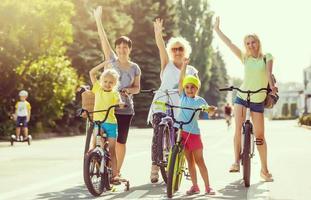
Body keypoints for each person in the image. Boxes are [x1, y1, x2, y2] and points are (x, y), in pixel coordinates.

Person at [214, 16, 277, 182]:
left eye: (253, 42)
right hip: (242, 97)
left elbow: (269, 73)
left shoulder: (267, 57)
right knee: (237, 130)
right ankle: (235, 161)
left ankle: (264, 170)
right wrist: (217, 30)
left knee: (260, 137)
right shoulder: (245, 58)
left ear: (258, 43)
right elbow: (230, 44)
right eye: (248, 43)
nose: (250, 45)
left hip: (258, 100)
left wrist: (272, 86)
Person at [148, 18, 199, 183]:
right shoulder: (167, 64)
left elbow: (194, 90)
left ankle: (182, 163)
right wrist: (158, 33)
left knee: (181, 136)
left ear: (186, 51)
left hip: (180, 106)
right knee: (157, 132)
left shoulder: (191, 70)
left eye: (180, 49)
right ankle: (155, 166)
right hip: (161, 101)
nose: (177, 51)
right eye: (174, 49)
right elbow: (160, 47)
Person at [93, 6, 141, 177]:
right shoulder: (111, 60)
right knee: (99, 137)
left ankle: (117, 171)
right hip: (106, 107)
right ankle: (95, 164)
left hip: (125, 108)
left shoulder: (135, 67)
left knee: (120, 141)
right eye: (119, 47)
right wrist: (98, 19)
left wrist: (128, 90)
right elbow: (103, 39)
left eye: (125, 47)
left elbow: (137, 88)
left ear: (129, 49)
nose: (121, 49)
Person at [177, 58, 217, 195]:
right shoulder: (182, 96)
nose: (189, 89)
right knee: (189, 161)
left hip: (193, 134)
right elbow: (181, 79)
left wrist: (210, 110)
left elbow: (207, 110)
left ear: (197, 88)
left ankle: (208, 186)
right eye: (187, 87)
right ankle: (195, 186)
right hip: (181, 133)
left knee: (199, 160)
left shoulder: (199, 101)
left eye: (192, 87)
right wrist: (184, 66)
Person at [89, 61, 125, 184]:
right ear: (101, 81)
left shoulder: (115, 93)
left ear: (115, 84)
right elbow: (91, 73)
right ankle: (93, 161)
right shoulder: (98, 88)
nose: (107, 84)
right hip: (99, 122)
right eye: (105, 81)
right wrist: (104, 63)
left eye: (111, 82)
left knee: (112, 150)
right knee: (95, 144)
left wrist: (120, 103)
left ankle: (115, 175)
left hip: (111, 124)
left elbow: (119, 100)